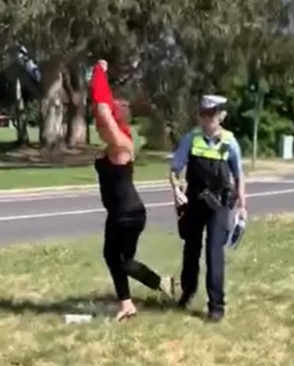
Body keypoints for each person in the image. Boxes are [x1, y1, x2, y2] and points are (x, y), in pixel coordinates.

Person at [89, 60, 175, 321]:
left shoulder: (121, 145)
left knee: (121, 260)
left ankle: (159, 284)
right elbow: (104, 113)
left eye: (99, 125)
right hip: (122, 212)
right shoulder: (116, 145)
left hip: (127, 213)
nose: (97, 127)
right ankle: (129, 303)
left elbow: (103, 110)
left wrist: (99, 72)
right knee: (115, 257)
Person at [169, 94, 247, 322]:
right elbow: (174, 170)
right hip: (194, 201)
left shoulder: (229, 142)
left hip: (219, 204)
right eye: (202, 115)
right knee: (191, 249)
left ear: (221, 116)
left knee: (214, 252)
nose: (206, 120)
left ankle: (216, 306)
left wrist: (243, 205)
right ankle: (188, 291)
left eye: (210, 115)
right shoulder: (191, 139)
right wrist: (176, 190)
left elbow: (238, 175)